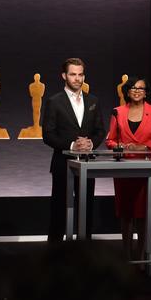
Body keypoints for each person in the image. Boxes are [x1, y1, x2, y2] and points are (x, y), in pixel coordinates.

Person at [42, 58, 105, 242]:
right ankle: (54, 259)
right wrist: (72, 145)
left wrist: (90, 144)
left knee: (86, 212)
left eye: (80, 74)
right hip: (63, 164)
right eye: (72, 74)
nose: (77, 78)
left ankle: (84, 259)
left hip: (87, 164)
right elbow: (48, 134)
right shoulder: (54, 101)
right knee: (59, 212)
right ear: (64, 76)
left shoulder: (93, 100)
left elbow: (100, 130)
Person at [105, 76, 151, 261]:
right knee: (126, 214)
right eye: (133, 87)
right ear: (127, 91)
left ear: (146, 92)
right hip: (123, 169)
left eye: (141, 88)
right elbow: (110, 140)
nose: (137, 90)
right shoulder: (117, 112)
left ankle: (142, 257)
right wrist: (120, 146)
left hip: (147, 169)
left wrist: (145, 147)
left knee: (143, 214)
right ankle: (126, 256)